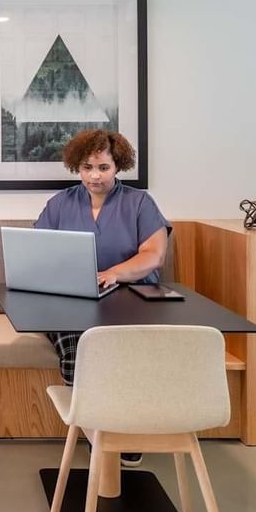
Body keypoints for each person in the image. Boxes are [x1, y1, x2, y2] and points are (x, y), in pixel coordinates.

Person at [34, 129, 169, 466]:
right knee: (77, 347)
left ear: (118, 166)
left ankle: (115, 435)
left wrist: (114, 273)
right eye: (87, 167)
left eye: (103, 168)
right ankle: (106, 436)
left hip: (128, 299)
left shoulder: (139, 203)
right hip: (71, 301)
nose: (95, 176)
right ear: (77, 167)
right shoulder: (60, 204)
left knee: (125, 349)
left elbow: (153, 255)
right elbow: (38, 252)